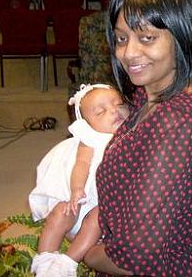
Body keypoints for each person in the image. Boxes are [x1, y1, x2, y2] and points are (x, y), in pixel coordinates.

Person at [74, 0, 192, 276]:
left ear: (183, 34)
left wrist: (86, 253)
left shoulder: (177, 122)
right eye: (121, 38)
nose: (129, 53)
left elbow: (138, 257)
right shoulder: (149, 95)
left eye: (147, 38)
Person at [29, 83, 129, 276]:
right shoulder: (90, 138)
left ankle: (68, 262)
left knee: (98, 216)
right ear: (87, 124)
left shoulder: (131, 134)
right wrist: (76, 190)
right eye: (101, 112)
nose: (114, 111)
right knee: (60, 211)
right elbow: (81, 165)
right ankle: (45, 261)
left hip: (104, 209)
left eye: (118, 104)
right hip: (81, 199)